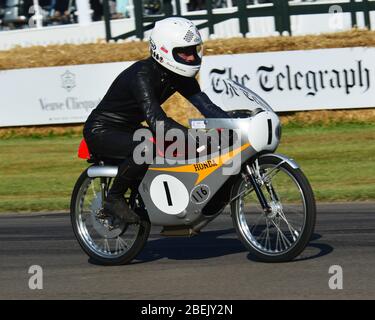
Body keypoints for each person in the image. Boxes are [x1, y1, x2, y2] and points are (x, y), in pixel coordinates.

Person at [83, 17, 229, 227]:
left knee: (175, 151)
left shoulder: (177, 76)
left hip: (131, 129)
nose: (191, 57)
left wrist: (236, 124)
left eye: (193, 50)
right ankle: (113, 199)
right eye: (184, 51)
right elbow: (158, 122)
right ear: (165, 50)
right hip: (102, 130)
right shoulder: (141, 75)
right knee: (148, 147)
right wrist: (195, 137)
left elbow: (207, 107)